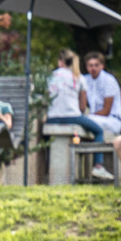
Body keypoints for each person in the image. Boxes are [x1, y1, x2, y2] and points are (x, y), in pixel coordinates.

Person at [45, 49, 113, 181]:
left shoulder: (51, 76)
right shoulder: (79, 77)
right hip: (72, 116)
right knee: (99, 131)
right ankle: (98, 166)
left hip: (52, 117)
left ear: (60, 62)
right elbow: (82, 107)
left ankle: (47, 172)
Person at [83, 51, 121, 136]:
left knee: (85, 120)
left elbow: (106, 111)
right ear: (87, 67)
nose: (93, 68)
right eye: (90, 65)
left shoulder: (109, 80)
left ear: (102, 66)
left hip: (111, 120)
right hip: (95, 119)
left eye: (96, 65)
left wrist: (88, 116)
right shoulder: (85, 80)